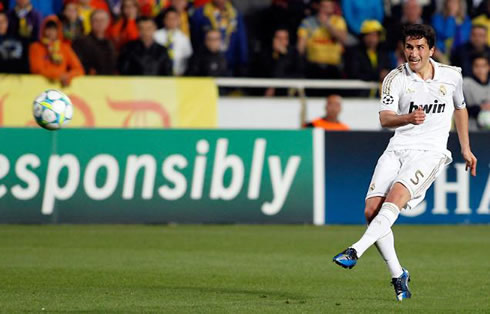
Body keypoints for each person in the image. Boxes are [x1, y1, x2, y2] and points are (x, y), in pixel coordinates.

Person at [332, 24, 477, 301]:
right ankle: (399, 275)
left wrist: (466, 149)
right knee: (371, 211)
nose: (414, 53)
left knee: (394, 199)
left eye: (420, 47)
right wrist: (407, 118)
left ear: (431, 49)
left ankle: (354, 250)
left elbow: (460, 109)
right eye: (409, 47)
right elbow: (385, 118)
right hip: (398, 148)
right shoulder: (394, 79)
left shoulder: (452, 76)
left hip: (430, 152)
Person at [190, 0, 248, 75]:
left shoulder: (235, 14)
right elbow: (195, 41)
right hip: (205, 66)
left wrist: (243, 64)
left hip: (230, 65)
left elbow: (241, 42)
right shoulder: (200, 14)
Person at [297, 0, 347, 80]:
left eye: (329, 6)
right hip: (313, 65)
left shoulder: (338, 21)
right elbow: (300, 48)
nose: (326, 9)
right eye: (324, 6)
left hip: (334, 66)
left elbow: (343, 39)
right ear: (318, 7)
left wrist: (327, 24)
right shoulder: (307, 22)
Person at [29, 15, 84, 86]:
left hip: (61, 88)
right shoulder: (36, 47)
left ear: (58, 31)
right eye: (48, 29)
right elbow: (37, 69)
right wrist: (59, 76)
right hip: (40, 86)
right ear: (43, 30)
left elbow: (79, 69)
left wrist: (68, 76)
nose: (51, 32)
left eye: (54, 29)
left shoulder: (64, 47)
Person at [344, 20, 392, 95]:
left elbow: (389, 69)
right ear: (363, 36)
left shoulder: (383, 53)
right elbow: (354, 74)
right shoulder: (354, 52)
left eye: (375, 35)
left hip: (379, 97)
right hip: (358, 96)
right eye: (369, 35)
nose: (372, 39)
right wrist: (378, 75)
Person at [256, 28, 303, 97]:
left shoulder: (294, 54)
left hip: (287, 92)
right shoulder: (265, 53)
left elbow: (299, 75)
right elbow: (261, 74)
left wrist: (284, 55)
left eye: (284, 38)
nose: (281, 41)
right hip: (266, 93)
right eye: (278, 38)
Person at [72, 9, 116, 75]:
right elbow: (77, 64)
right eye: (96, 20)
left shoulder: (112, 43)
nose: (99, 23)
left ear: (108, 22)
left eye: (102, 20)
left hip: (109, 81)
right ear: (90, 22)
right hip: (89, 81)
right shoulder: (80, 42)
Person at [154, 6, 192, 75]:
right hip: (158, 75)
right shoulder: (156, 36)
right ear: (164, 20)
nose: (171, 21)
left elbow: (187, 58)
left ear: (179, 20)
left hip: (178, 75)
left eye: (174, 18)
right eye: (169, 18)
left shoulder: (184, 38)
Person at [463, 52, 490, 129]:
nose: (480, 69)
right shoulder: (465, 84)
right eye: (477, 66)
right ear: (472, 67)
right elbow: (460, 109)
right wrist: (480, 108)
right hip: (471, 130)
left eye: (483, 66)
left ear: (488, 67)